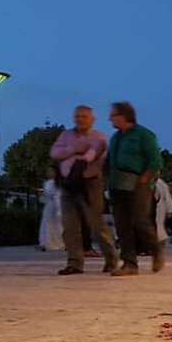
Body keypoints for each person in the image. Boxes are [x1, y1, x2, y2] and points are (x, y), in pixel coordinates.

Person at [48, 105, 118, 275]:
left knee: (96, 223)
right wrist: (74, 150)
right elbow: (54, 153)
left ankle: (111, 259)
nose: (80, 119)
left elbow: (92, 155)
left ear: (92, 120)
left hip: (90, 184)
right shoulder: (66, 135)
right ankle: (75, 263)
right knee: (70, 224)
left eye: (84, 116)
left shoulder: (98, 137)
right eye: (78, 116)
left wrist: (76, 155)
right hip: (68, 184)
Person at [107, 102, 163, 275]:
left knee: (140, 221)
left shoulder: (144, 135)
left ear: (124, 116)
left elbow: (155, 160)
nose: (110, 118)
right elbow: (109, 159)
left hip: (138, 183)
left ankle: (156, 249)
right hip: (117, 183)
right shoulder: (116, 137)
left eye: (113, 115)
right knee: (122, 225)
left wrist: (145, 178)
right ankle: (129, 263)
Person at [38, 166, 64, 252]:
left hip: (56, 206)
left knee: (57, 225)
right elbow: (45, 197)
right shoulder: (47, 183)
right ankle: (45, 243)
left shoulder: (59, 183)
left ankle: (59, 243)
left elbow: (58, 195)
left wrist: (59, 208)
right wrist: (42, 195)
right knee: (46, 225)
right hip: (48, 206)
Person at [153, 176, 172, 245]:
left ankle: (160, 240)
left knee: (159, 223)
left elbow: (167, 197)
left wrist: (170, 210)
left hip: (160, 207)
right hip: (151, 206)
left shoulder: (162, 184)